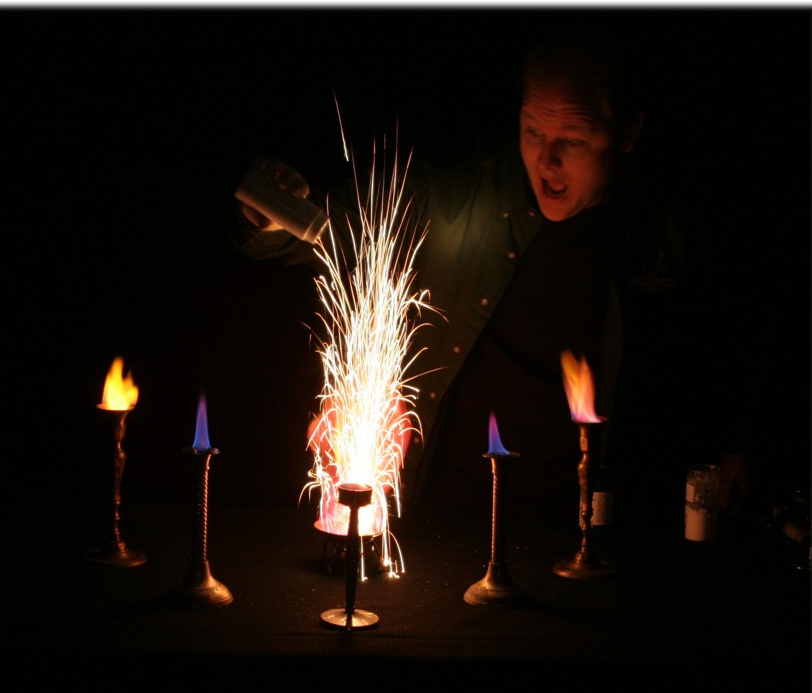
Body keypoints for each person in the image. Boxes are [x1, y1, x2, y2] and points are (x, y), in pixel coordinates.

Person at [233, 29, 748, 531]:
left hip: (590, 526)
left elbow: (722, 353)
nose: (547, 160)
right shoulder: (462, 188)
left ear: (629, 133)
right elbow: (332, 229)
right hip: (449, 514)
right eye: (533, 132)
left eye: (573, 139)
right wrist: (269, 216)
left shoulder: (666, 228)